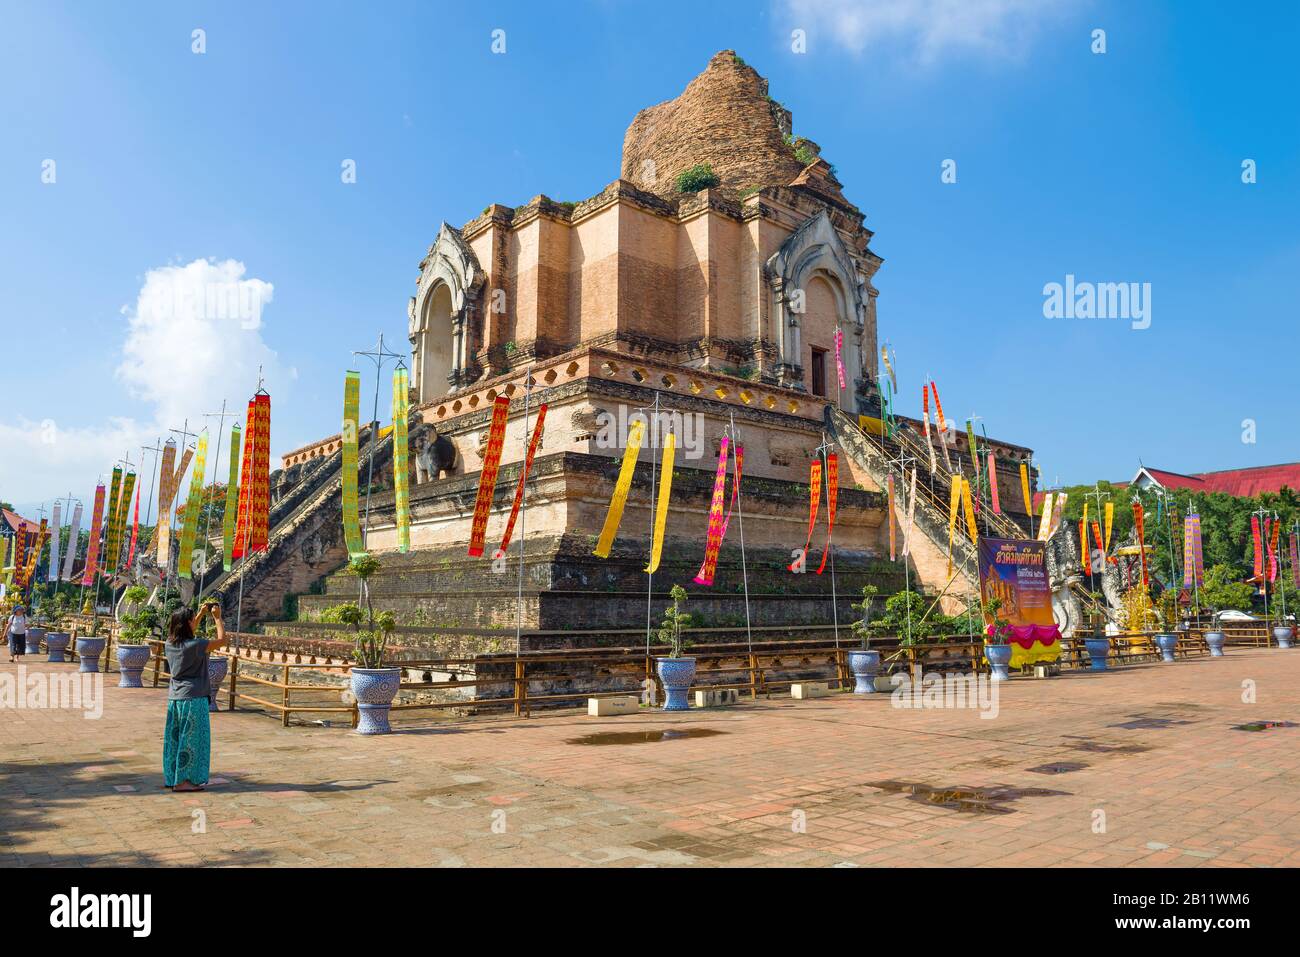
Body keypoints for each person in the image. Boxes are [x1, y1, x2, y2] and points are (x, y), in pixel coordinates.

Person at [162, 603, 227, 792]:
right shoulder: (197, 645)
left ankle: (174, 777)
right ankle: (184, 781)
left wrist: (199, 614)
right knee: (190, 741)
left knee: (176, 739)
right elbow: (222, 640)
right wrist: (216, 617)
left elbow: (188, 631)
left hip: (175, 699)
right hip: (194, 697)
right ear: (188, 624)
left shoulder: (170, 643)